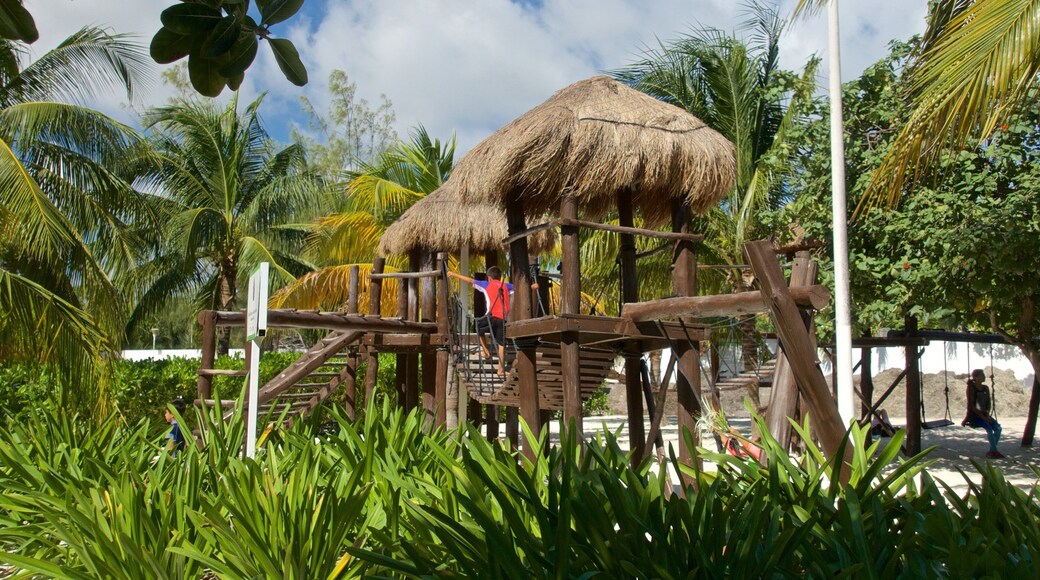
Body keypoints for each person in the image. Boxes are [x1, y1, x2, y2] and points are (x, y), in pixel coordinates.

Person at [448, 266, 518, 376]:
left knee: (478, 326)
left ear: (489, 278)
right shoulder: (506, 285)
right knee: (501, 344)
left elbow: (470, 280)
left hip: (491, 316)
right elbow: (519, 287)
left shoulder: (486, 284)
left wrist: (453, 274)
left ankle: (486, 352)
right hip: (503, 318)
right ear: (499, 277)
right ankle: (500, 370)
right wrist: (533, 286)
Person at [962, 369, 1003, 459]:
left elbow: (988, 403)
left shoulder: (985, 388)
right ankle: (994, 451)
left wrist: (987, 414)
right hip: (975, 416)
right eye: (982, 375)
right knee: (989, 429)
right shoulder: (971, 388)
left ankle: (992, 451)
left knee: (998, 429)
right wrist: (983, 417)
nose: (984, 377)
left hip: (985, 415)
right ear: (976, 377)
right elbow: (972, 406)